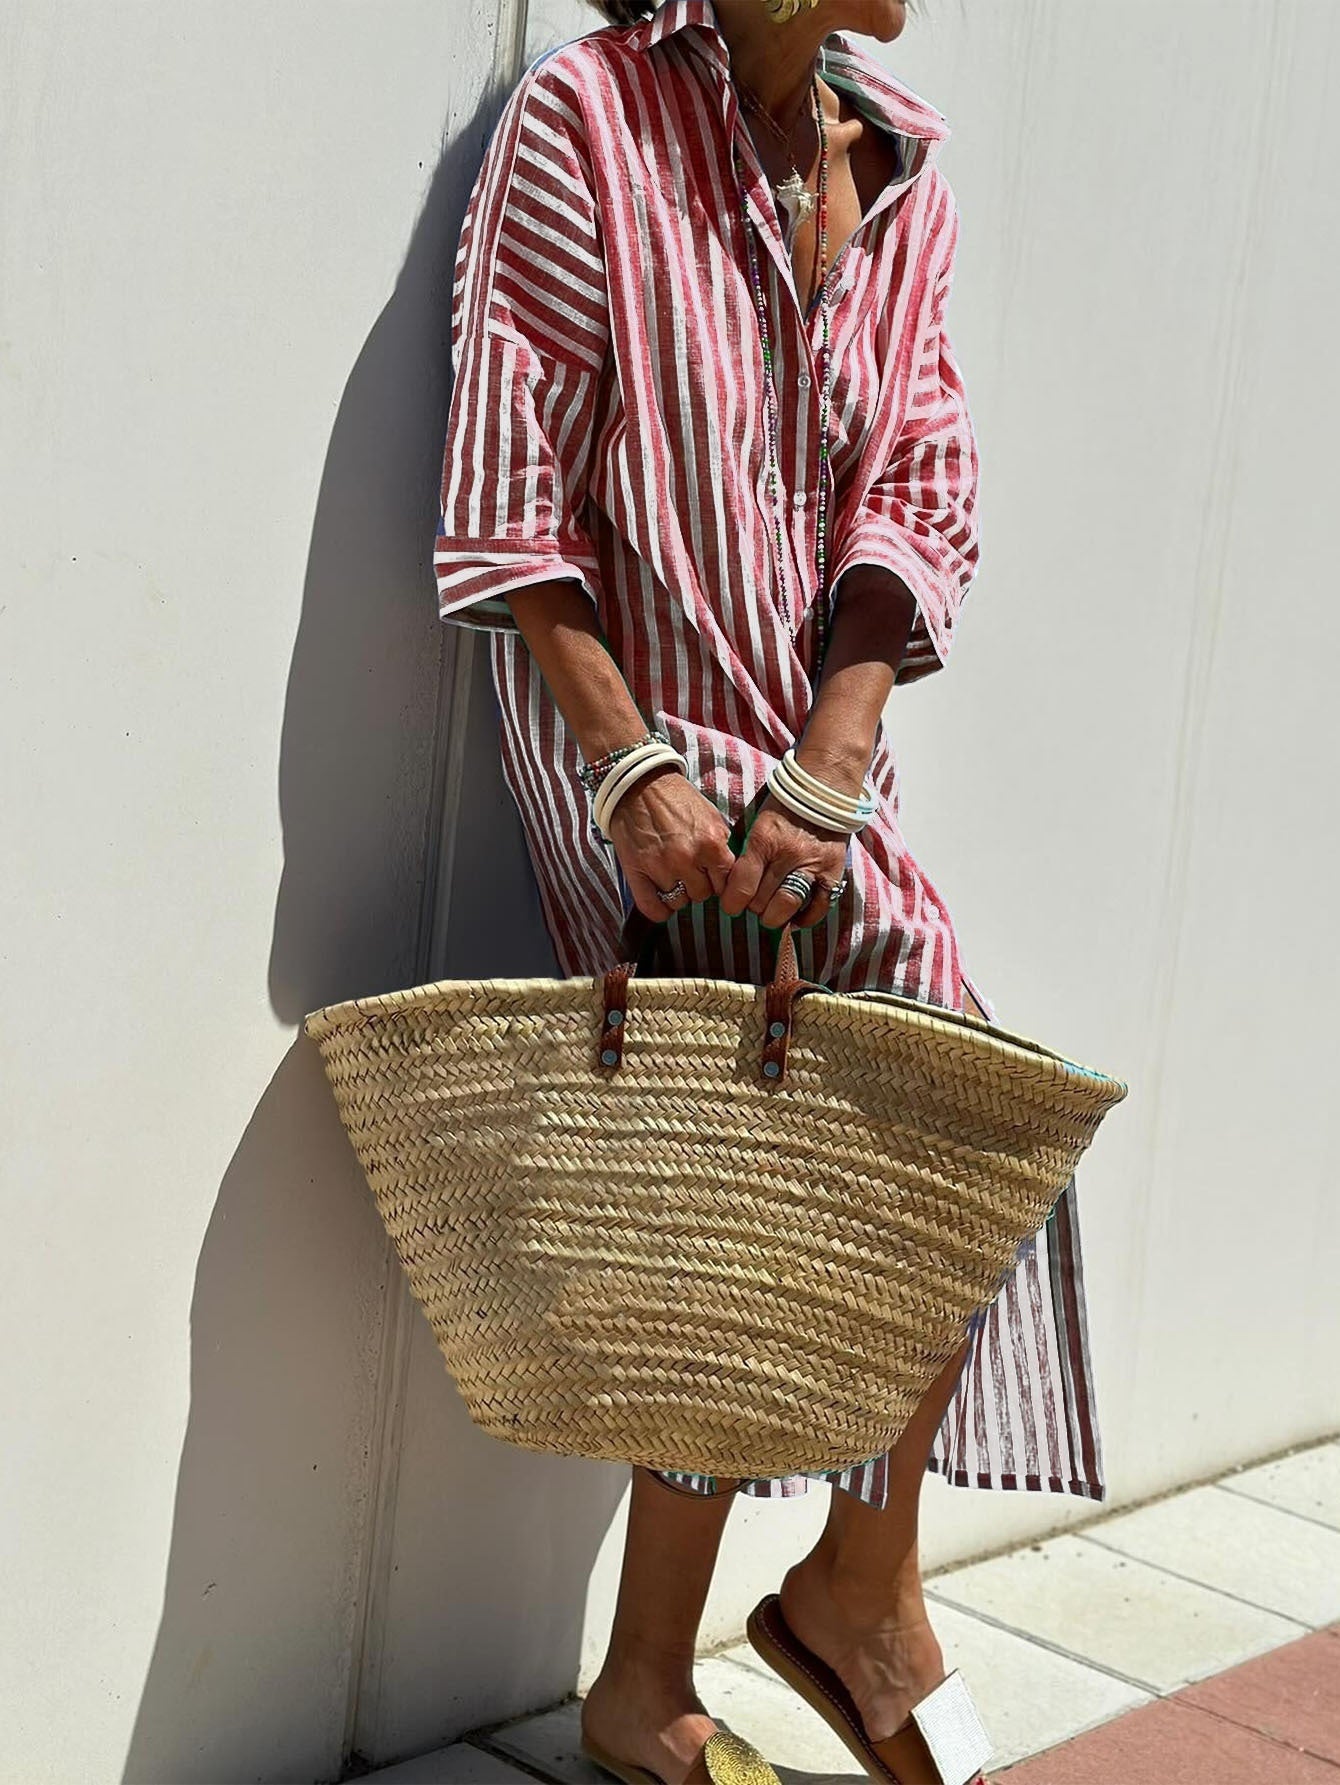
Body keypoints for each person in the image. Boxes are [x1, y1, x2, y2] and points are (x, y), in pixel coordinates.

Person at [433, 2, 1104, 1780]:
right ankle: (814, 1614)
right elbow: (510, 492)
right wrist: (629, 767)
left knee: (851, 1133)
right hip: (642, 750)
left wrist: (839, 742)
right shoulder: (590, 119)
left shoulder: (899, 164)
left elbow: (919, 485)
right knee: (793, 1119)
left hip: (810, 760)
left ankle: (739, 1634)